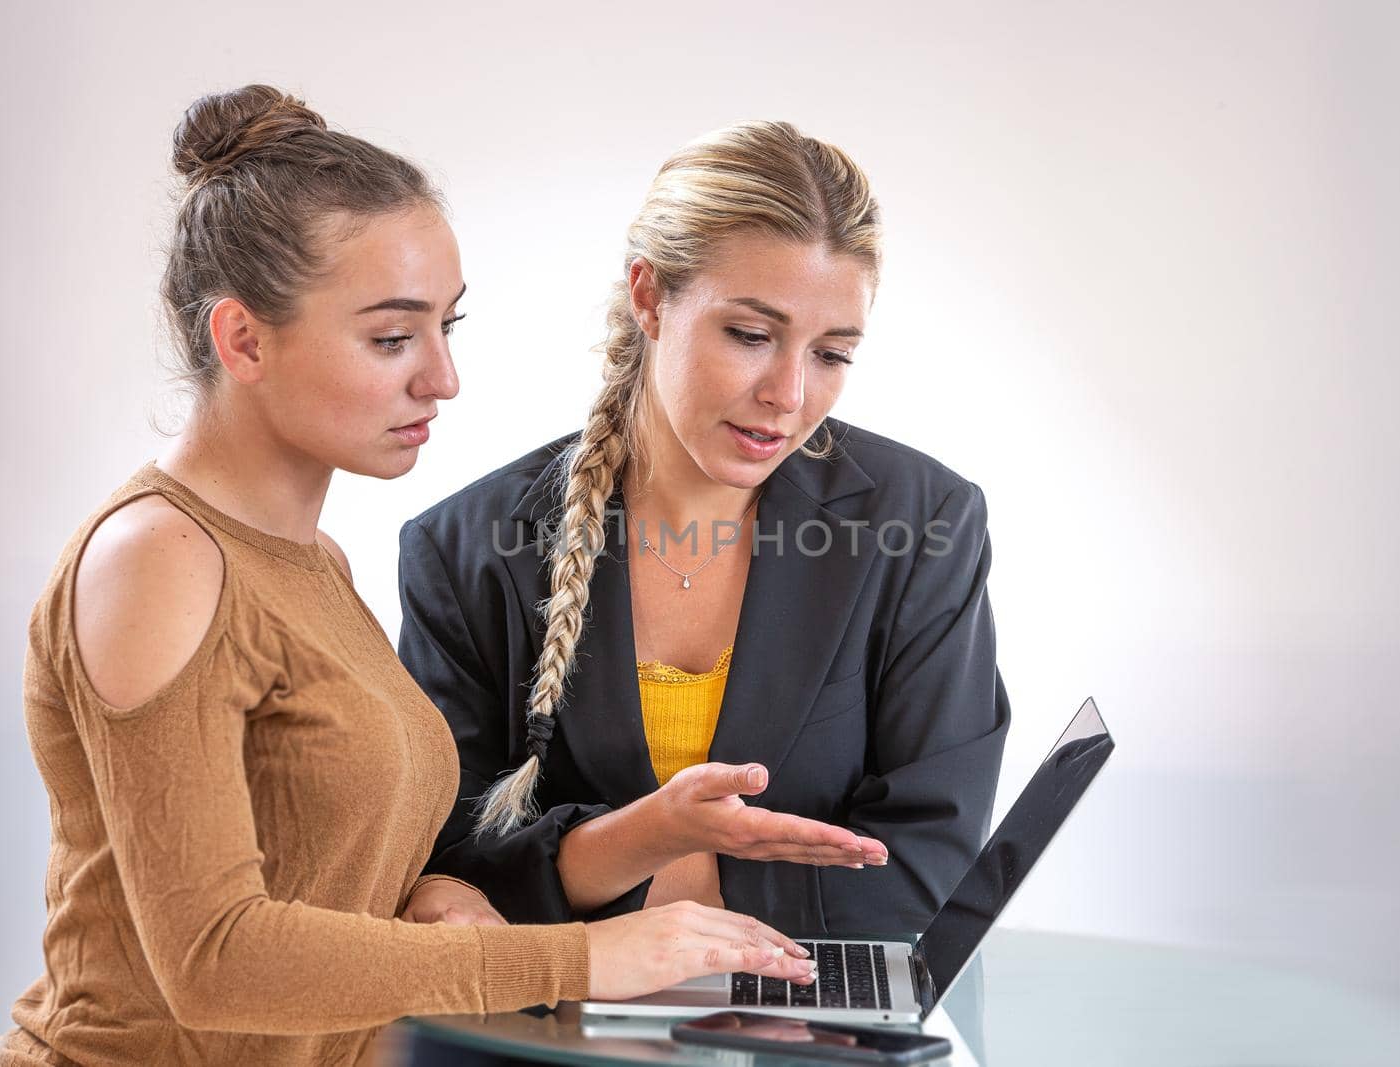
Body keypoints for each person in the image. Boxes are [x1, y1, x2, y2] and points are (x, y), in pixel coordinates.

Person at [0, 87, 814, 1067]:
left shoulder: (311, 559)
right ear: (243, 339)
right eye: (392, 337)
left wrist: (428, 894)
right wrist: (574, 956)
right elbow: (215, 957)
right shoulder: (158, 560)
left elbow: (309, 860)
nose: (441, 377)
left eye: (445, 328)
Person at [398, 121, 1011, 939]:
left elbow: (933, 860)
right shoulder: (467, 548)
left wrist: (603, 877)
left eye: (831, 354)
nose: (788, 394)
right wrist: (664, 854)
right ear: (649, 296)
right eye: (751, 336)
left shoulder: (923, 521)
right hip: (562, 1027)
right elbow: (444, 865)